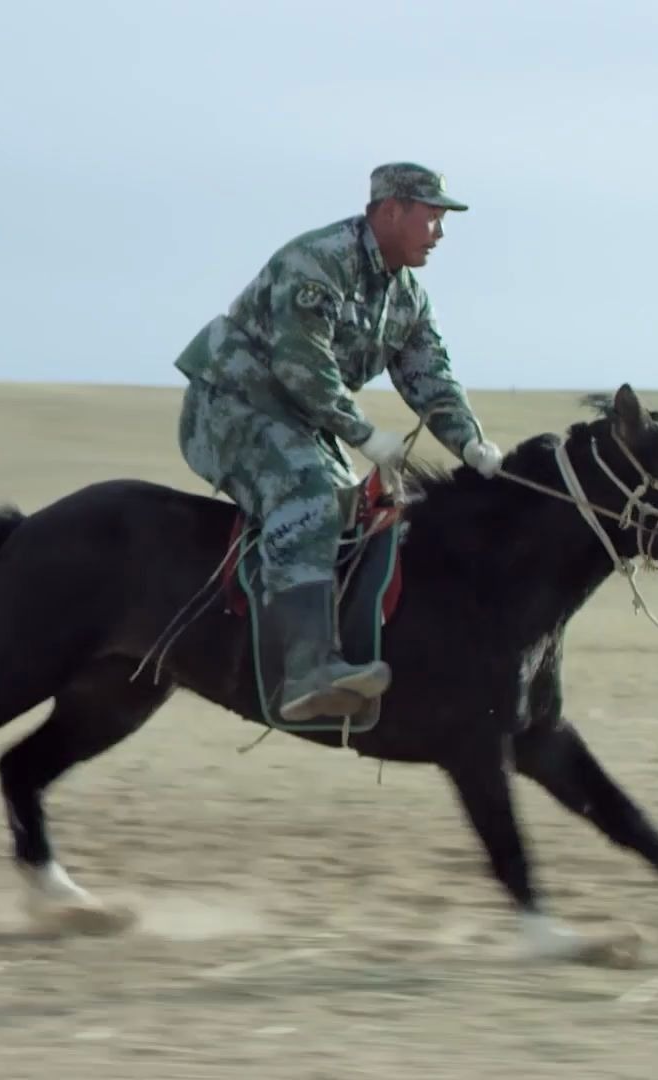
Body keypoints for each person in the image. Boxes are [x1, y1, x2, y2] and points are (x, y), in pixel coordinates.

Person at [174, 162, 503, 723]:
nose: (440, 233)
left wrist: (470, 444)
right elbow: (302, 363)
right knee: (309, 500)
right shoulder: (319, 260)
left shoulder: (408, 299)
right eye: (432, 217)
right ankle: (305, 671)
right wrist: (366, 435)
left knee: (360, 510)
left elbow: (432, 380)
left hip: (301, 421)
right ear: (391, 210)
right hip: (230, 406)